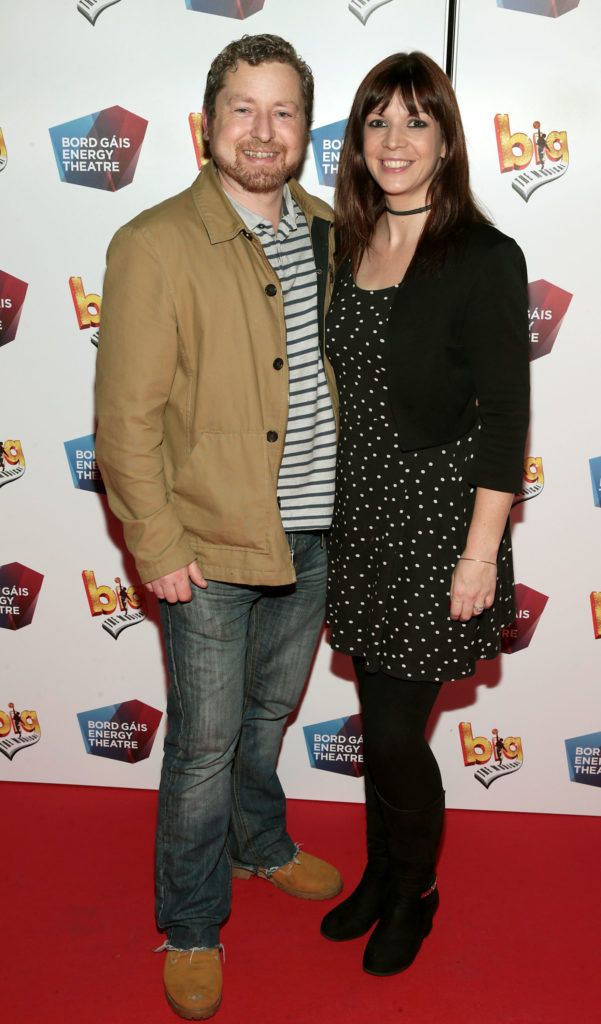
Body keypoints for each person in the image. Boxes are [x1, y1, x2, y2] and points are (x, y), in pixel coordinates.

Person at [96, 34, 341, 1021]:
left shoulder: (332, 230)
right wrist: (155, 546)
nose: (262, 131)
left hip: (316, 535)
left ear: (303, 131)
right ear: (207, 123)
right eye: (242, 108)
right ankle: (192, 923)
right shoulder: (154, 244)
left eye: (283, 112)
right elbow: (126, 419)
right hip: (208, 544)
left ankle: (261, 842)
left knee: (266, 717)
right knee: (200, 744)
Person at [320, 52, 529, 977]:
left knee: (399, 732)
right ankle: (378, 872)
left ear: (446, 138)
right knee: (377, 719)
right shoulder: (342, 241)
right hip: (360, 513)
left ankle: (416, 891)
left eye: (415, 121)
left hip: (443, 525)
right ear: (357, 140)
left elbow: (504, 416)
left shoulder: (484, 256)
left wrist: (478, 558)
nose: (394, 141)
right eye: (376, 122)